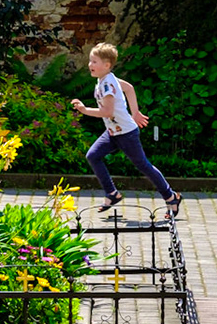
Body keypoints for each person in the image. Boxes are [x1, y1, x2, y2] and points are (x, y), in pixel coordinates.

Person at [70, 43, 182, 218]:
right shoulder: (106, 79)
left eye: (94, 61)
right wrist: (135, 113)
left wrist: (84, 110)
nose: (90, 65)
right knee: (93, 156)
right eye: (90, 61)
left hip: (126, 134)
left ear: (106, 65)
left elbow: (107, 112)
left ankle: (171, 197)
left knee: (143, 165)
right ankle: (112, 194)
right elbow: (129, 88)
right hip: (113, 132)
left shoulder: (107, 84)